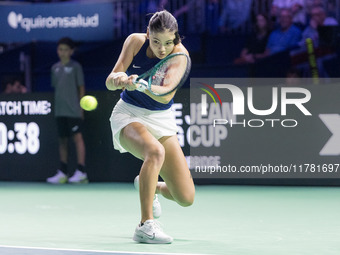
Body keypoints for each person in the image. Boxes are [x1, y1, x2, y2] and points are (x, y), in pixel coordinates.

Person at [106, 10, 195, 244]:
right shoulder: (135, 41)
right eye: (156, 42)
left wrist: (141, 85)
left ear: (177, 38)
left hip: (161, 118)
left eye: (168, 42)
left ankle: (150, 185)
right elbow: (110, 79)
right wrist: (119, 80)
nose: (162, 49)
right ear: (147, 34)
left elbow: (165, 96)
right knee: (154, 152)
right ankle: (145, 225)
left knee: (185, 197)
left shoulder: (180, 56)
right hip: (128, 113)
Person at [47, 37, 88, 184]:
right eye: (60, 49)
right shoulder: (54, 68)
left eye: (65, 49)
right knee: (62, 141)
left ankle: (81, 172)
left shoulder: (76, 67)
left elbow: (81, 87)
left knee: (77, 139)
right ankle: (63, 172)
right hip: (60, 111)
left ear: (71, 51)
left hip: (74, 110)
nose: (62, 52)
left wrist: (81, 108)